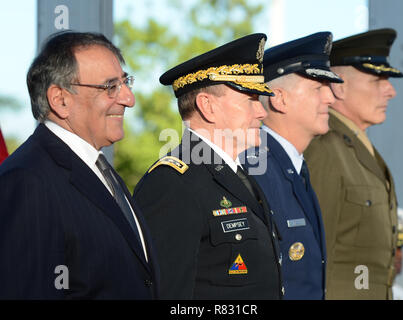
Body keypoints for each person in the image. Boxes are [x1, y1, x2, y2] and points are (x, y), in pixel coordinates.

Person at [0, 31, 159, 299]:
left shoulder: (99, 170)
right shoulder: (28, 181)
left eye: (125, 82)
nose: (128, 98)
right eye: (110, 87)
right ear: (61, 100)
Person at [133, 33, 284, 299]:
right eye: (250, 99)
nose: (261, 112)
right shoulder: (172, 183)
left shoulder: (239, 175)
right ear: (207, 106)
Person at [304, 28, 403, 299]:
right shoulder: (324, 147)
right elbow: (313, 254)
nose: (391, 91)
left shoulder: (358, 146)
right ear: (338, 86)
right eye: (378, 80)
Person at [241, 32, 343, 299]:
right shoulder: (254, 169)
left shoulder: (292, 165)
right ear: (279, 98)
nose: (331, 99)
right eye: (318, 87)